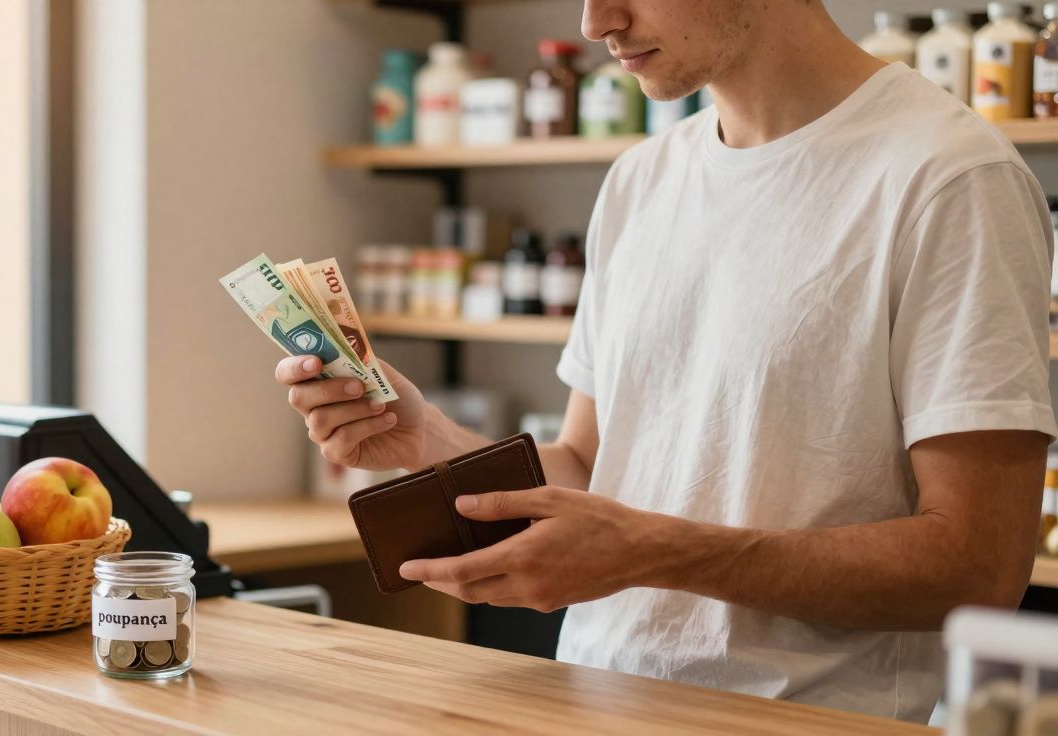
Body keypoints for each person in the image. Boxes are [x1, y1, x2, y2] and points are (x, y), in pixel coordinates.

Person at [276, 0, 1056, 723]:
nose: (595, 22)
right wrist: (431, 441)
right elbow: (590, 465)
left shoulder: (950, 178)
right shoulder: (640, 181)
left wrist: (652, 551)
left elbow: (977, 565)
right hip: (593, 702)